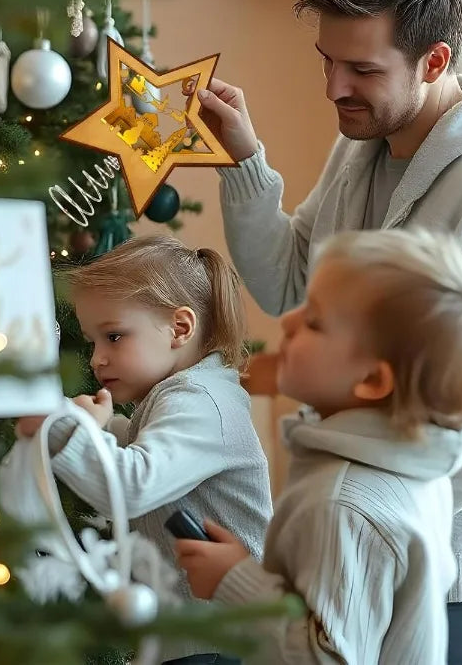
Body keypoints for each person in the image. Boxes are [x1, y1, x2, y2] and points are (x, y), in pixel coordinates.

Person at [191, 0, 462, 662]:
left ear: (435, 61)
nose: (334, 88)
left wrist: (370, 534)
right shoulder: (362, 144)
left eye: (362, 68)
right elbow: (290, 284)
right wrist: (245, 161)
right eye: (327, 61)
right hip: (378, 559)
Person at [177, 229, 462, 663]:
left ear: (373, 381)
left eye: (315, 321)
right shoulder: (413, 473)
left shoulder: (343, 503)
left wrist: (236, 582)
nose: (288, 322)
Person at [17, 235, 272, 665]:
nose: (97, 359)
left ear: (180, 328)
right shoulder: (183, 395)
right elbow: (145, 452)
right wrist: (102, 430)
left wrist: (60, 427)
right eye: (93, 341)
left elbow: (135, 485)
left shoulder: (200, 399)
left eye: (114, 337)